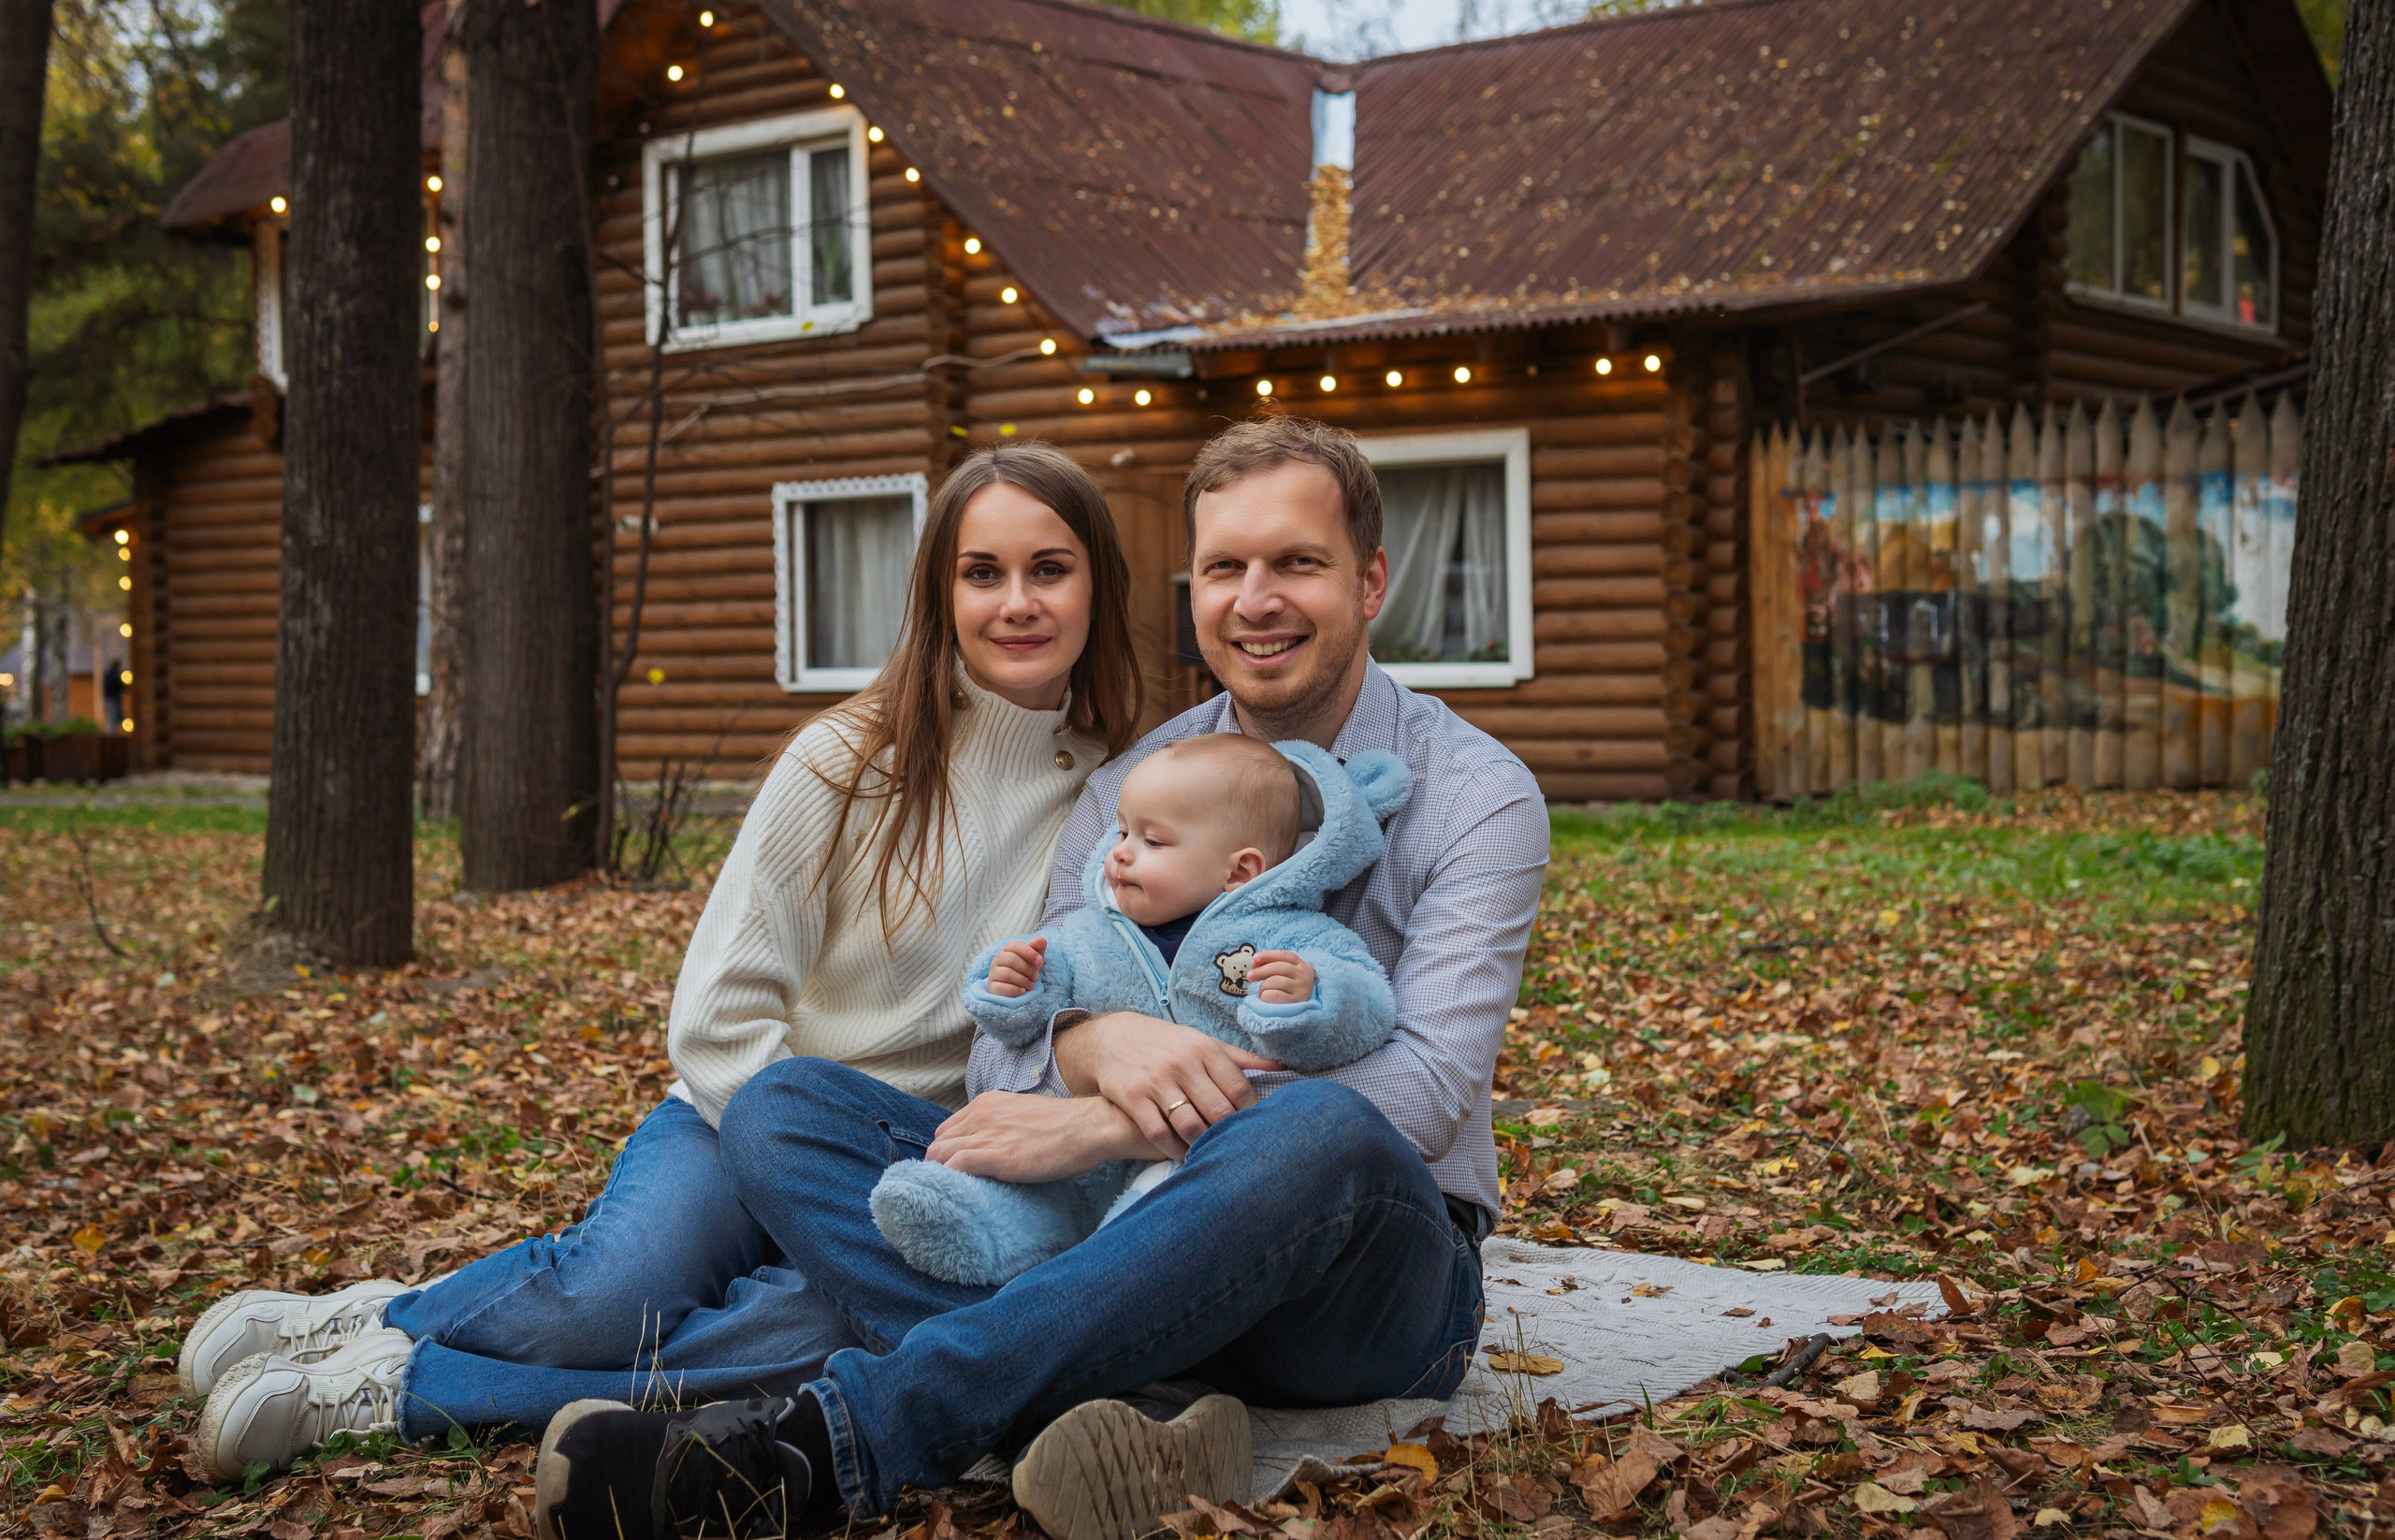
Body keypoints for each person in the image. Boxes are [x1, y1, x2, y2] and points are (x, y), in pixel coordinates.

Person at [531, 416, 1548, 1540]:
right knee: (783, 1106)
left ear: (1370, 580)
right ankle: (1124, 1405)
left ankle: (823, 1450)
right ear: (1192, 587)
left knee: (1320, 1129)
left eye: (1297, 563)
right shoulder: (1131, 786)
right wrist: (1080, 1037)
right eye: (1224, 568)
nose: (1256, 600)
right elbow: (1000, 1047)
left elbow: (1423, 1096)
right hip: (1119, 1240)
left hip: (1364, 1283)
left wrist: (1097, 1131)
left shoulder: (1478, 797)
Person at [186, 444, 1146, 1478]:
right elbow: (720, 1017)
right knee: (604, 1301)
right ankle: (389, 1314)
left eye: (1049, 569)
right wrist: (791, 1190)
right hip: (744, 1115)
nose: (1017, 602)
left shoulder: (1116, 799)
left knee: (796, 1347)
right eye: (981, 572)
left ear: (1096, 584)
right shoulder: (847, 761)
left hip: (911, 1161)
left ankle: (398, 1387)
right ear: (937, 593)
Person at [869, 734, 1411, 1286]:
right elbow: (1022, 1027)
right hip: (1074, 1164)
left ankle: (1076, 1296)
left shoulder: (1289, 938)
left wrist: (1312, 1000)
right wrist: (1013, 987)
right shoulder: (1091, 933)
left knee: (1151, 1227)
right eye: (1123, 831)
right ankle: (972, 1233)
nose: (1120, 852)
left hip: (1206, 1170)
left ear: (1239, 871)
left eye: (1152, 840)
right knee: (800, 1095)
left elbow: (1368, 1009)